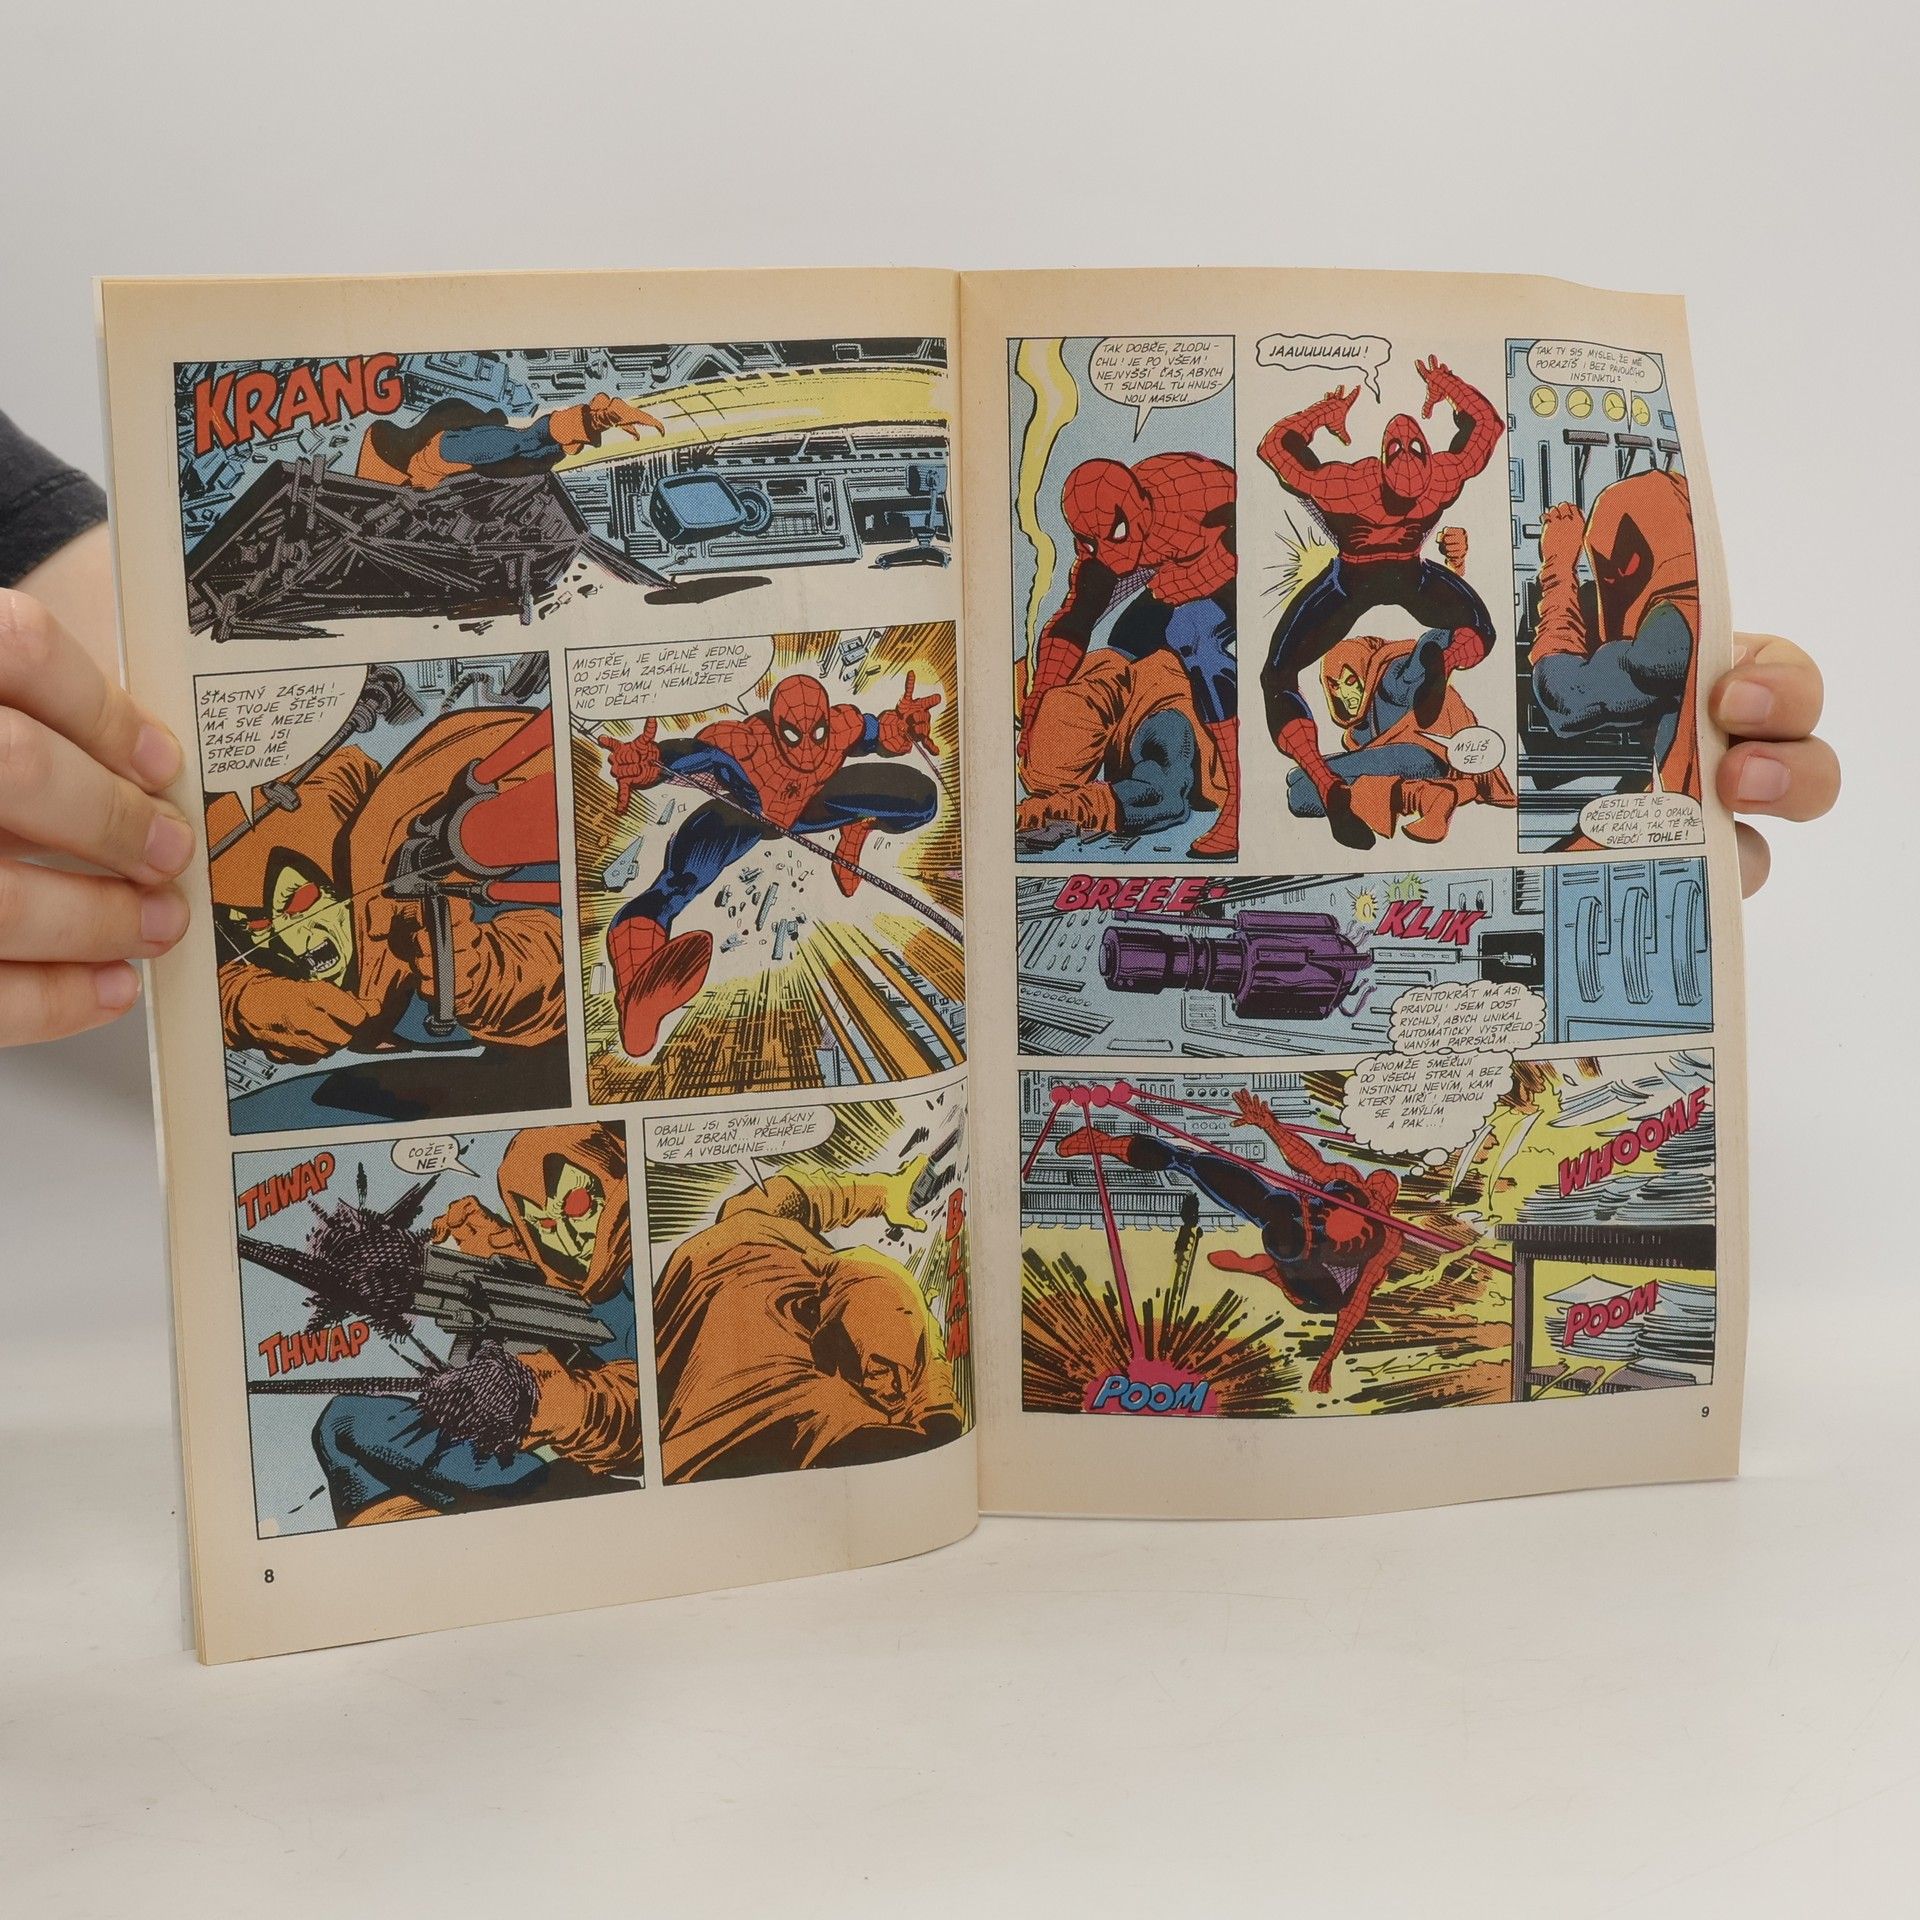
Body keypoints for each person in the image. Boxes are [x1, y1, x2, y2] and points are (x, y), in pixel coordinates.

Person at [0, 409, 1846, 1047]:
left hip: (1193, 723)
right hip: (799, 795)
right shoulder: (800, 748)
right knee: (724, 826)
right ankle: (655, 940)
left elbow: (79, 623)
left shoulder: (1201, 606)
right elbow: (739, 774)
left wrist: (1587, 769)